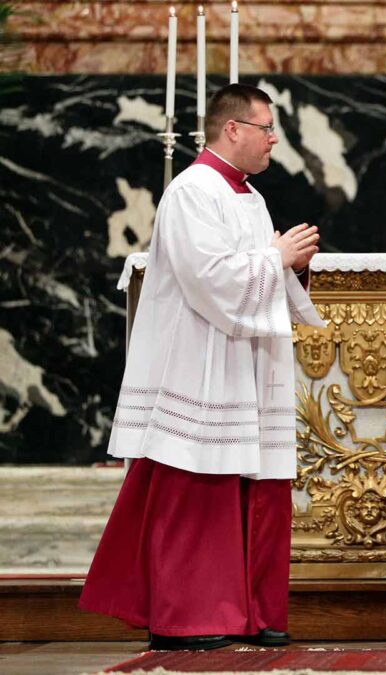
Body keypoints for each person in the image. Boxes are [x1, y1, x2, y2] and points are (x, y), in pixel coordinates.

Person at [78, 83, 325, 651]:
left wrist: (289, 267)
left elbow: (253, 271)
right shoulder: (191, 191)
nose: (273, 139)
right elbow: (208, 278)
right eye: (265, 128)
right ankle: (189, 615)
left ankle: (248, 611)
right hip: (201, 363)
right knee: (199, 485)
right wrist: (276, 258)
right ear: (231, 129)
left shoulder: (248, 196)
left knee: (252, 483)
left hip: (242, 361)